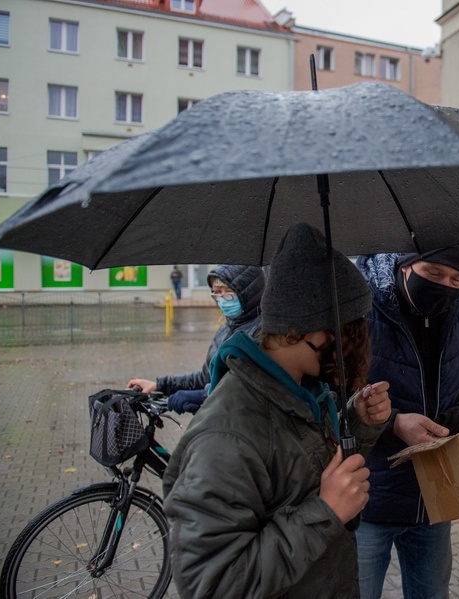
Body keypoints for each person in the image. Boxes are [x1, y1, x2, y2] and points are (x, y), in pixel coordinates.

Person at [162, 222, 392, 598]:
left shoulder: (301, 391)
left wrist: (359, 423)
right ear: (303, 331)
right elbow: (211, 582)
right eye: (349, 331)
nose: (356, 345)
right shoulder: (228, 435)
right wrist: (326, 512)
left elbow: (306, 472)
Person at [355, 243, 459, 599]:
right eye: (433, 274)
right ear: (405, 264)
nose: (445, 285)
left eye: (457, 278)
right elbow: (328, 393)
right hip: (367, 497)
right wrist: (394, 424)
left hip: (435, 495)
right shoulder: (357, 303)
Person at [127, 264, 263, 413]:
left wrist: (203, 395)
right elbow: (206, 377)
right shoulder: (227, 328)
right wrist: (160, 385)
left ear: (248, 292)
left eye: (229, 293)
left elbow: (250, 389)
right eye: (217, 293)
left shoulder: (262, 333)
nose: (223, 300)